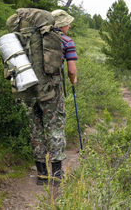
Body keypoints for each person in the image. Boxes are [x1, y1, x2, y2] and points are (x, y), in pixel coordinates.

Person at [29, 9, 77, 186]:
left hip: (29, 90)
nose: (69, 26)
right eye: (67, 22)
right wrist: (74, 81)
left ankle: (41, 175)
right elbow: (71, 70)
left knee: (36, 128)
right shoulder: (65, 41)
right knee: (54, 127)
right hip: (52, 91)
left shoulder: (32, 39)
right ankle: (56, 175)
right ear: (60, 24)